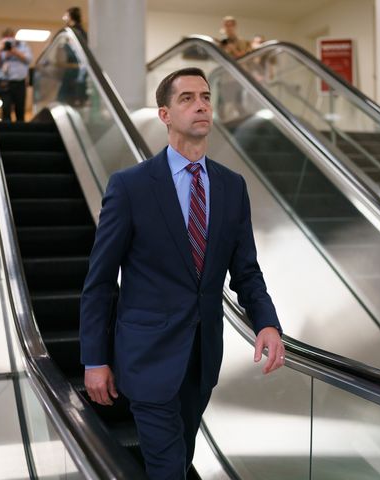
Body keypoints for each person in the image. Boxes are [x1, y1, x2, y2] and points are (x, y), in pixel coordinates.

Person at [80, 67, 285, 480]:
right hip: (146, 356)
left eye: (206, 97)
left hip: (202, 357)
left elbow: (245, 270)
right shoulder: (130, 186)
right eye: (187, 98)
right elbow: (100, 282)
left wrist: (267, 322)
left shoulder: (232, 186)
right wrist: (94, 359)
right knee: (168, 466)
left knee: (181, 454)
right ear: (164, 114)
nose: (201, 105)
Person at [0, 28, 31, 122]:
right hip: (5, 83)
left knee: (20, 108)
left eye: (11, 38)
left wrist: (14, 51)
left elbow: (28, 60)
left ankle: (21, 131)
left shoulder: (22, 46)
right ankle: (6, 129)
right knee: (6, 108)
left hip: (20, 82)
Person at [56, 6, 87, 106]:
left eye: (66, 15)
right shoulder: (81, 31)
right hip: (77, 69)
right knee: (74, 96)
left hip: (74, 68)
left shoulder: (72, 32)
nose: (64, 18)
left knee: (64, 97)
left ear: (71, 16)